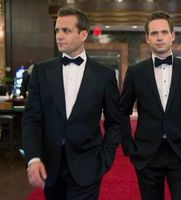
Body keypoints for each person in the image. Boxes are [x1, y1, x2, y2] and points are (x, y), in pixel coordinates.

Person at [22, 7, 121, 200]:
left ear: (83, 34)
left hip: (88, 166)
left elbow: (115, 122)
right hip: (50, 167)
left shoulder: (104, 75)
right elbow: (31, 119)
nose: (59, 36)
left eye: (66, 31)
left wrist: (105, 159)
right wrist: (33, 158)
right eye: (57, 30)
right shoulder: (41, 72)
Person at [120, 11, 181, 200]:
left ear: (173, 35)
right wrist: (129, 146)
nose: (159, 37)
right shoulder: (136, 72)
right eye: (154, 33)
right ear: (147, 38)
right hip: (147, 154)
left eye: (163, 32)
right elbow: (122, 111)